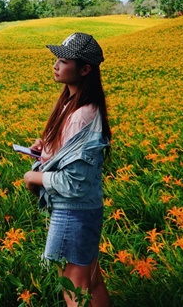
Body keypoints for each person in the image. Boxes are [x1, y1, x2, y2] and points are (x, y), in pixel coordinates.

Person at [23, 32, 112, 307]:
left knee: (73, 287)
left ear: (85, 69)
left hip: (74, 211)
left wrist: (33, 176)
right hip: (82, 209)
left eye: (63, 60)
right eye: (56, 59)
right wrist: (47, 149)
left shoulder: (82, 114)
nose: (56, 65)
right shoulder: (69, 105)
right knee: (90, 280)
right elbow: (68, 156)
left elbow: (74, 182)